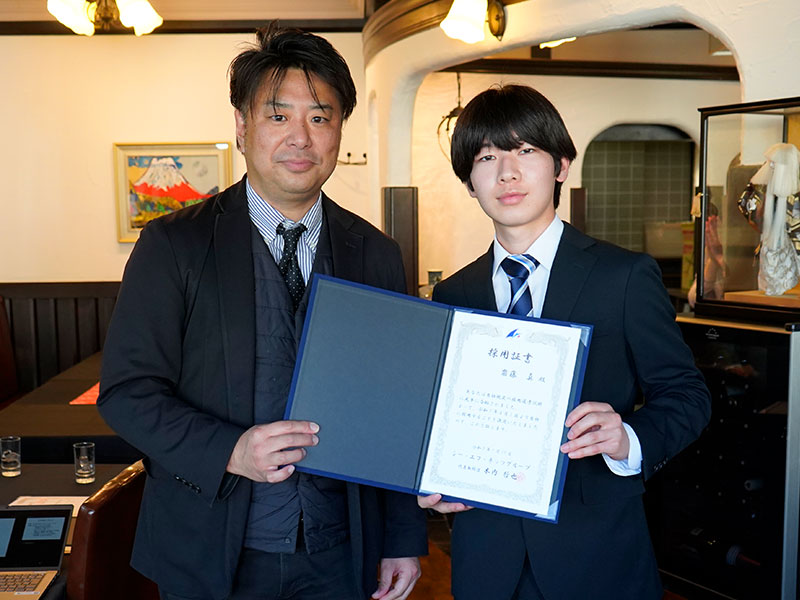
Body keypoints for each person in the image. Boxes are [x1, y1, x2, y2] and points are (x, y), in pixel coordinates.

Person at [98, 24, 426, 600]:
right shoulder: (174, 245)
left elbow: (395, 404)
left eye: (320, 117)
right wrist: (230, 450)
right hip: (210, 546)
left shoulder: (375, 253)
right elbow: (128, 392)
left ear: (339, 131)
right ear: (242, 126)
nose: (301, 137)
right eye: (278, 116)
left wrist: (401, 537)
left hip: (341, 549)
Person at [419, 84, 711, 600]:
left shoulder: (623, 277)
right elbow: (436, 417)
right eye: (486, 157)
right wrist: (429, 477)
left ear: (561, 165)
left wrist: (627, 438)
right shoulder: (452, 293)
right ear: (469, 182)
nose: (507, 173)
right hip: (485, 559)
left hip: (597, 555)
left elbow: (687, 395)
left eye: (525, 150)